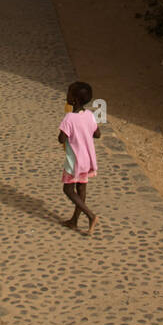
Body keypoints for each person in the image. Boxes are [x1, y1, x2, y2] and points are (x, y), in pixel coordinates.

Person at [58, 80, 100, 235]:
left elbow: (61, 139)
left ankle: (90, 215)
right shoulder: (90, 115)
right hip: (88, 160)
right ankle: (74, 221)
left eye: (68, 93)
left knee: (68, 189)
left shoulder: (69, 118)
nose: (66, 95)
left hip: (74, 161)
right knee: (81, 188)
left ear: (74, 99)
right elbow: (97, 134)